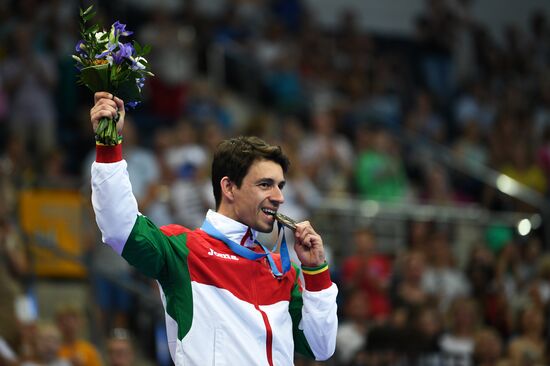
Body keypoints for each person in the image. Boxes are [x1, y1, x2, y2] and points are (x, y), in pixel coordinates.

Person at [88, 92, 338, 365]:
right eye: (265, 185)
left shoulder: (281, 269)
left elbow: (321, 347)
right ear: (229, 187)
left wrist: (316, 272)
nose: (279, 197)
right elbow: (118, 228)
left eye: (280, 186)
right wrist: (109, 145)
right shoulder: (184, 249)